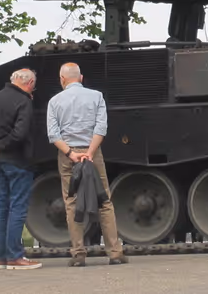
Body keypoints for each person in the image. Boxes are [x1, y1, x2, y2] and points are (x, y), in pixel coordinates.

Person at [45, 62, 128, 267]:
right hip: (93, 153)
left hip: (67, 155)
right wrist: (90, 153)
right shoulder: (96, 96)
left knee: (71, 202)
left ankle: (78, 255)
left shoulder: (54, 102)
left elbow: (53, 134)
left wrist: (71, 153)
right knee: (104, 200)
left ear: (62, 79)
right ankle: (115, 253)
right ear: (81, 78)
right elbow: (101, 127)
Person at [0, 68, 43, 271]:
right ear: (30, 83)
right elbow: (20, 134)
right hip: (18, 160)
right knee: (17, 207)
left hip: (0, 161)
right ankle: (16, 257)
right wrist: (1, 145)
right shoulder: (24, 101)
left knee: (2, 208)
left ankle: (1, 257)